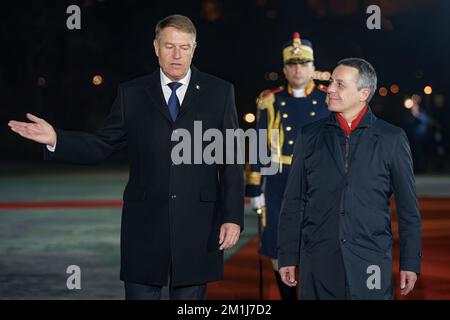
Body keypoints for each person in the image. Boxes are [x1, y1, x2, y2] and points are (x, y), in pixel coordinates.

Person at [8, 14, 244, 300]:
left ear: (195, 48)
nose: (177, 55)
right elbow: (101, 145)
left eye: (184, 47)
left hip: (198, 225)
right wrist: (57, 139)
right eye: (169, 46)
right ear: (156, 47)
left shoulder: (219, 93)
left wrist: (232, 216)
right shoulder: (132, 94)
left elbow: (231, 161)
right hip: (143, 227)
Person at [278, 58, 422, 300]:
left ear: (363, 93)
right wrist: (288, 256)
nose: (330, 88)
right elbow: (293, 201)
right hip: (318, 262)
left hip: (371, 262)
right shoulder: (309, 136)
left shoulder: (392, 138)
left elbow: (409, 209)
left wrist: (410, 262)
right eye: (331, 82)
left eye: (340, 84)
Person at [245, 32, 329, 300]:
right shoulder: (271, 101)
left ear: (313, 67)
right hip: (280, 181)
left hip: (319, 182)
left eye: (304, 63)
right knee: (279, 245)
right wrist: (255, 189)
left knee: (319, 243)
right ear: (284, 69)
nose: (298, 69)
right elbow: (259, 144)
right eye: (292, 64)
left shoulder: (329, 100)